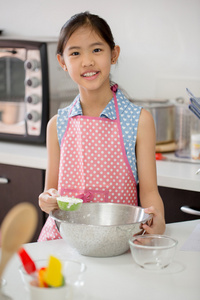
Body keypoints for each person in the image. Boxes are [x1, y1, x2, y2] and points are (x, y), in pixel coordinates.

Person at [38, 11, 165, 241]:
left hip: (119, 240)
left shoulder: (139, 121)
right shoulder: (57, 124)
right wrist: (47, 200)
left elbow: (149, 193)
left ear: (114, 54)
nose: (87, 61)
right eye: (75, 53)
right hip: (66, 242)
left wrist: (159, 221)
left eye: (97, 50)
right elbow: (51, 194)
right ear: (62, 62)